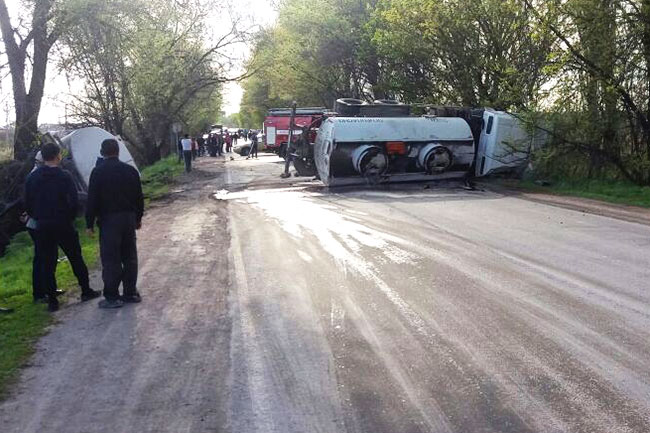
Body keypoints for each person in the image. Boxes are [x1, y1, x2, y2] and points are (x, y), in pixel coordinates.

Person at [25, 143, 100, 312]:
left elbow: (27, 203)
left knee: (47, 263)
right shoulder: (64, 176)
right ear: (58, 156)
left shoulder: (32, 178)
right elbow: (74, 200)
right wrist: (70, 217)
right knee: (75, 257)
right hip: (63, 223)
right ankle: (85, 290)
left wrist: (37, 216)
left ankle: (52, 301)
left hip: (43, 225)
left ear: (43, 157)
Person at [86, 139, 144, 309]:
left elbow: (92, 200)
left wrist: (89, 224)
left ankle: (112, 296)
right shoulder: (130, 170)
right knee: (130, 256)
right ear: (118, 151)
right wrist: (138, 218)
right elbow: (139, 197)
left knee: (111, 259)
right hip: (128, 218)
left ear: (102, 152)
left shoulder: (98, 172)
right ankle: (130, 293)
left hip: (109, 220)